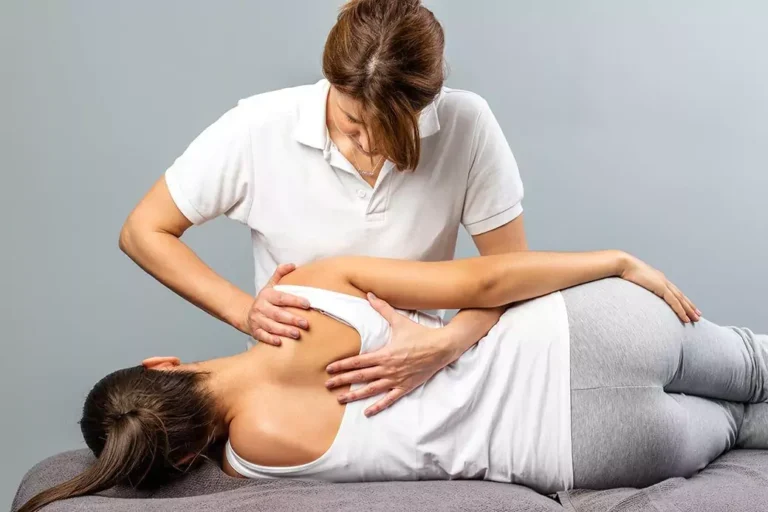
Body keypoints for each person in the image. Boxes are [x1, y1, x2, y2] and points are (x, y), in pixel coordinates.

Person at [18, 249, 768, 512]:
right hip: (587, 333)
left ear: (180, 459)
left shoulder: (253, 461)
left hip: (587, 449)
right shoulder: (308, 289)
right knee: (757, 364)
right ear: (162, 364)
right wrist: (618, 262)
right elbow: (489, 277)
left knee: (744, 428)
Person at [118, 0, 551, 417]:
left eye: (395, 129)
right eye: (353, 122)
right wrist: (243, 312)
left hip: (422, 384)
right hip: (295, 392)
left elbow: (511, 275)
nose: (371, 144)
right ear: (332, 83)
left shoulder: (466, 124)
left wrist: (447, 344)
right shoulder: (260, 126)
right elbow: (143, 231)